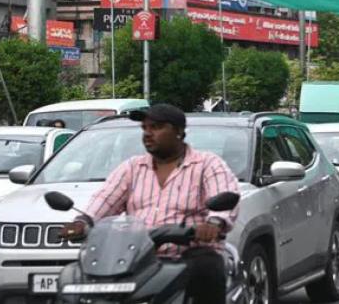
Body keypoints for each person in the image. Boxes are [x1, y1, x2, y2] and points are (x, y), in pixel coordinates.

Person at [60, 104, 239, 304]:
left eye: (156, 127)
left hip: (189, 252)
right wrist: (82, 222)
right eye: (145, 128)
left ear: (179, 131)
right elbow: (105, 199)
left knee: (208, 269)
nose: (148, 134)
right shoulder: (132, 167)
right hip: (136, 257)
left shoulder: (207, 163)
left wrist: (214, 223)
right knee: (77, 278)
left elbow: (224, 194)